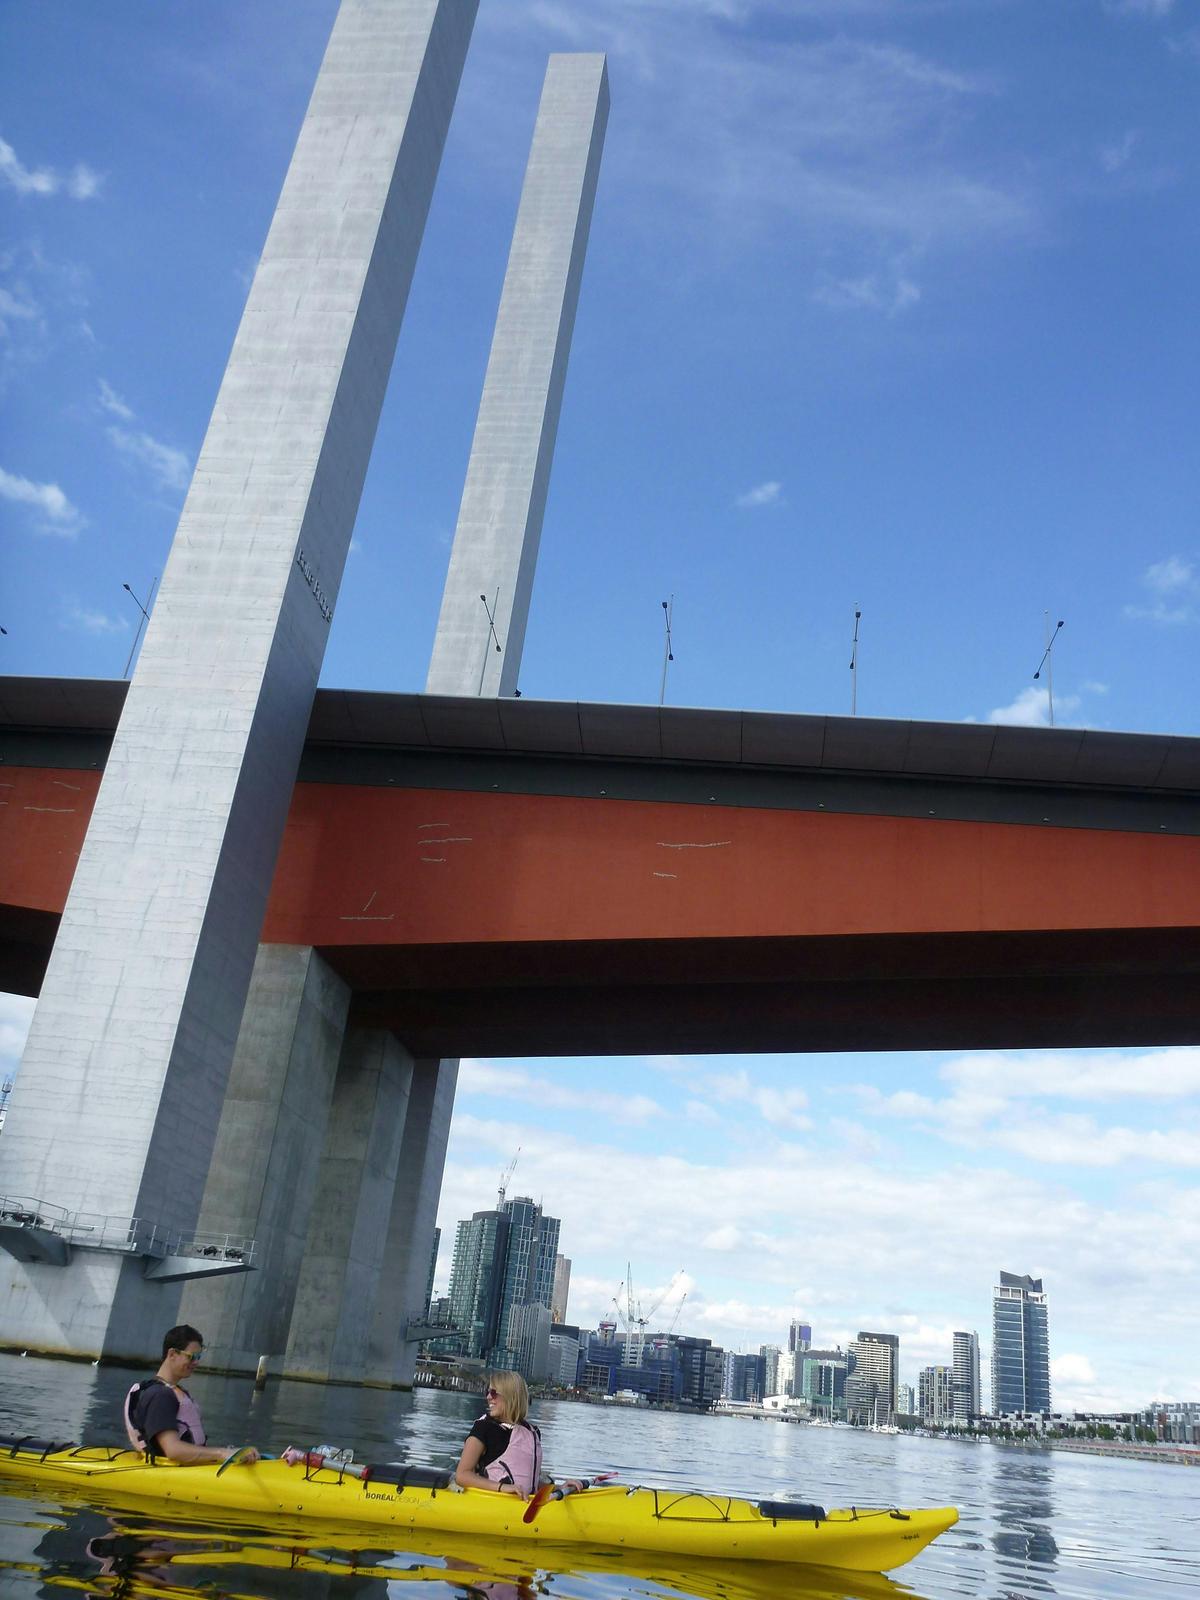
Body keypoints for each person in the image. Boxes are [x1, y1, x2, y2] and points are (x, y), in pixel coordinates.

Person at [123, 1324, 260, 1466]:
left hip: (190, 1468)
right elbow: (173, 1450)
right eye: (192, 1357)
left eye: (198, 1356)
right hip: (172, 1472)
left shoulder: (174, 1391)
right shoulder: (160, 1395)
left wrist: (231, 1452)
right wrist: (222, 1453)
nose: (196, 1362)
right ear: (172, 1354)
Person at [455, 1371, 544, 1497]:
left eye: (494, 1393)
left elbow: (529, 1479)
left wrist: (556, 1488)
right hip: (492, 1503)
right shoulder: (484, 1428)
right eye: (488, 1392)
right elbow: (462, 1475)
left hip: (524, 1504)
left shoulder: (532, 1432)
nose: (488, 1397)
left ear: (511, 1396)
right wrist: (502, 1487)